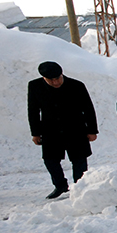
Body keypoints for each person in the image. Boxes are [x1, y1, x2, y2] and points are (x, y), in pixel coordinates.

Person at [27, 61, 98, 199]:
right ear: (44, 78)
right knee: (50, 160)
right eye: (51, 80)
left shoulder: (76, 85)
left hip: (75, 129)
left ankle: (80, 187)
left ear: (62, 74)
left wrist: (92, 130)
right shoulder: (35, 86)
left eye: (58, 78)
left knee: (79, 160)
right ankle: (60, 185)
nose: (55, 82)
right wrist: (35, 133)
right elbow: (33, 111)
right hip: (50, 130)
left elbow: (88, 109)